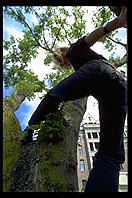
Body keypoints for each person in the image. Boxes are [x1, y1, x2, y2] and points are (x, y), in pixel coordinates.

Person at [20, 7, 127, 192]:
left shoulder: (75, 51)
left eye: (61, 61)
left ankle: (29, 128)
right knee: (111, 155)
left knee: (55, 95)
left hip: (99, 71)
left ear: (64, 55)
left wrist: (117, 23)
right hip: (120, 87)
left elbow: (94, 36)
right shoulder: (85, 63)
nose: (64, 64)